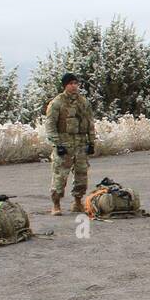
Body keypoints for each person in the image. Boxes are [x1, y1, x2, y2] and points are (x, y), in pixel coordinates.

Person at [45, 73, 95, 215]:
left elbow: (90, 123)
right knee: (60, 176)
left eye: (75, 83)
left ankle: (78, 202)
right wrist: (57, 144)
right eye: (71, 83)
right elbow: (50, 126)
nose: (74, 86)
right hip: (64, 144)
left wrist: (91, 142)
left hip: (80, 144)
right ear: (65, 85)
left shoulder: (83, 102)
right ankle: (56, 204)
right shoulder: (57, 103)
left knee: (81, 175)